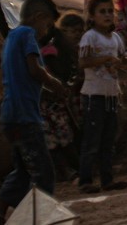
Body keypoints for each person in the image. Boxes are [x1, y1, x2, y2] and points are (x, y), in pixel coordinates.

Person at [0, 0, 67, 225]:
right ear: (38, 17)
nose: (46, 31)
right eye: (47, 25)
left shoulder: (11, 37)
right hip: (25, 117)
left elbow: (23, 76)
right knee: (44, 172)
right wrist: (55, 84)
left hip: (10, 115)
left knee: (22, 169)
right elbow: (34, 69)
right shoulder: (28, 34)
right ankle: (40, 218)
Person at [78, 0, 127, 193]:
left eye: (110, 11)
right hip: (93, 95)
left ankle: (107, 179)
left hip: (111, 95)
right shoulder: (90, 37)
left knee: (108, 140)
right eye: (102, 12)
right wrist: (105, 60)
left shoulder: (116, 38)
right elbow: (83, 62)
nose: (107, 15)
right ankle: (85, 180)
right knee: (92, 140)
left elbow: (119, 62)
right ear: (92, 16)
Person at [41, 12, 85, 181]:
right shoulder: (52, 50)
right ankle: (71, 170)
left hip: (63, 102)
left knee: (64, 135)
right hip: (50, 102)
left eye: (80, 31)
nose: (77, 35)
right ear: (63, 31)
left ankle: (75, 168)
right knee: (57, 137)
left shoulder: (73, 51)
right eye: (74, 31)